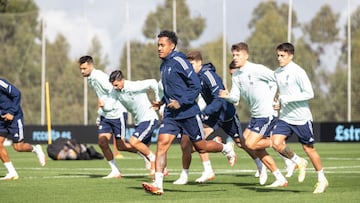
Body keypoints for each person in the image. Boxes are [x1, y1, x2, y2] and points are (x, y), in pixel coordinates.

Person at [142, 30, 236, 195]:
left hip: (189, 113)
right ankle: (158, 184)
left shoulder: (181, 61)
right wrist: (163, 101)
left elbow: (196, 86)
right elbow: (173, 89)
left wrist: (181, 102)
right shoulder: (163, 65)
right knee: (162, 145)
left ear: (172, 46)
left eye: (162, 45)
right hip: (171, 114)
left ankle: (225, 148)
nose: (159, 48)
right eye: (158, 45)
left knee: (201, 147)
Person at [173, 50, 267, 185]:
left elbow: (220, 97)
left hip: (224, 112)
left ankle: (260, 165)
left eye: (192, 63)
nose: (189, 66)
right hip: (212, 114)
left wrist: (206, 111)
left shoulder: (208, 75)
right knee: (195, 140)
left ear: (199, 62)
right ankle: (209, 168)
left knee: (241, 143)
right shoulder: (192, 77)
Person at [219, 42, 293, 187]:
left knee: (251, 144)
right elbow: (235, 98)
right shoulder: (236, 76)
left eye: (238, 54)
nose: (235, 57)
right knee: (246, 144)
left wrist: (276, 97)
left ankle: (276, 143)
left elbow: (276, 79)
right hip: (255, 116)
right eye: (233, 55)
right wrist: (226, 96)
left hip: (266, 114)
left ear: (246, 55)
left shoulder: (257, 69)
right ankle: (279, 177)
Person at [271, 42, 328, 193]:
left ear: (291, 56)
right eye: (278, 55)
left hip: (301, 118)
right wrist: (278, 104)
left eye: (282, 55)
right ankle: (298, 161)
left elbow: (310, 93)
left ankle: (322, 179)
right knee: (275, 143)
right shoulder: (276, 73)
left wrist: (288, 99)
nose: (279, 58)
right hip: (285, 117)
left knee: (309, 149)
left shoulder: (298, 71)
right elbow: (280, 96)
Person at [78, 55, 141, 179]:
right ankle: (115, 170)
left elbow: (114, 91)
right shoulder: (91, 79)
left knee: (121, 146)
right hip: (106, 115)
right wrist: (100, 114)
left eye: (84, 68)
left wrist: (108, 107)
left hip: (117, 113)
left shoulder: (99, 77)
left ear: (91, 66)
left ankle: (146, 155)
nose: (82, 71)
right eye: (80, 69)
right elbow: (101, 97)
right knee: (102, 142)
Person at [108, 70, 160, 176]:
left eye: (116, 85)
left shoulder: (134, 86)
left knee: (133, 141)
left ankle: (153, 159)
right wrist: (102, 111)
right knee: (137, 148)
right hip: (139, 122)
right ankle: (159, 171)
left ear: (122, 80)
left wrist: (158, 101)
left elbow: (153, 82)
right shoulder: (115, 92)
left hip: (149, 118)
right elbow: (109, 105)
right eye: (113, 85)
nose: (115, 87)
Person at [0, 78, 46, 180]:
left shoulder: (1, 83)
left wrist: (11, 112)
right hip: (1, 119)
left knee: (18, 147)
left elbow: (17, 94)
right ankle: (12, 172)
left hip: (14, 117)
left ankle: (35, 149)